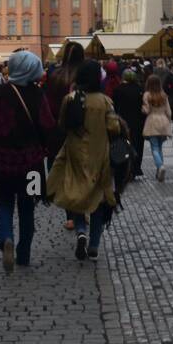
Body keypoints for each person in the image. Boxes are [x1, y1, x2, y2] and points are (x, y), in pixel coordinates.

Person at [0, 50, 54, 271]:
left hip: (3, 163)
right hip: (31, 165)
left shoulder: (1, 92)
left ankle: (6, 239)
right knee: (27, 206)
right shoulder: (37, 94)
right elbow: (48, 126)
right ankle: (23, 255)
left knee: (4, 202)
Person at [49, 59, 121, 262]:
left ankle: (81, 230)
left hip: (75, 154)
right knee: (97, 199)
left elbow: (62, 124)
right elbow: (114, 128)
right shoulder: (105, 101)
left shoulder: (70, 98)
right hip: (99, 155)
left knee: (77, 194)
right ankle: (94, 245)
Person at [44, 40, 85, 231]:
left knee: (65, 174)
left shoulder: (55, 75)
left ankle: (70, 215)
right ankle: (82, 210)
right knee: (81, 172)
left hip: (59, 131)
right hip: (83, 131)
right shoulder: (86, 75)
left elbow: (48, 106)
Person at [112, 68, 146, 181]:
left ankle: (125, 169)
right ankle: (136, 168)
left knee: (123, 144)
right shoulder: (140, 89)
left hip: (123, 121)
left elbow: (115, 107)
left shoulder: (118, 89)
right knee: (138, 145)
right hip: (138, 122)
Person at [142, 73, 172, 181]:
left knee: (154, 147)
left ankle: (160, 166)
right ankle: (159, 171)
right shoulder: (163, 95)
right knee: (160, 148)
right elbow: (168, 112)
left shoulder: (147, 95)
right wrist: (168, 122)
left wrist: (142, 108)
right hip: (163, 121)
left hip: (152, 121)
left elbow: (147, 110)